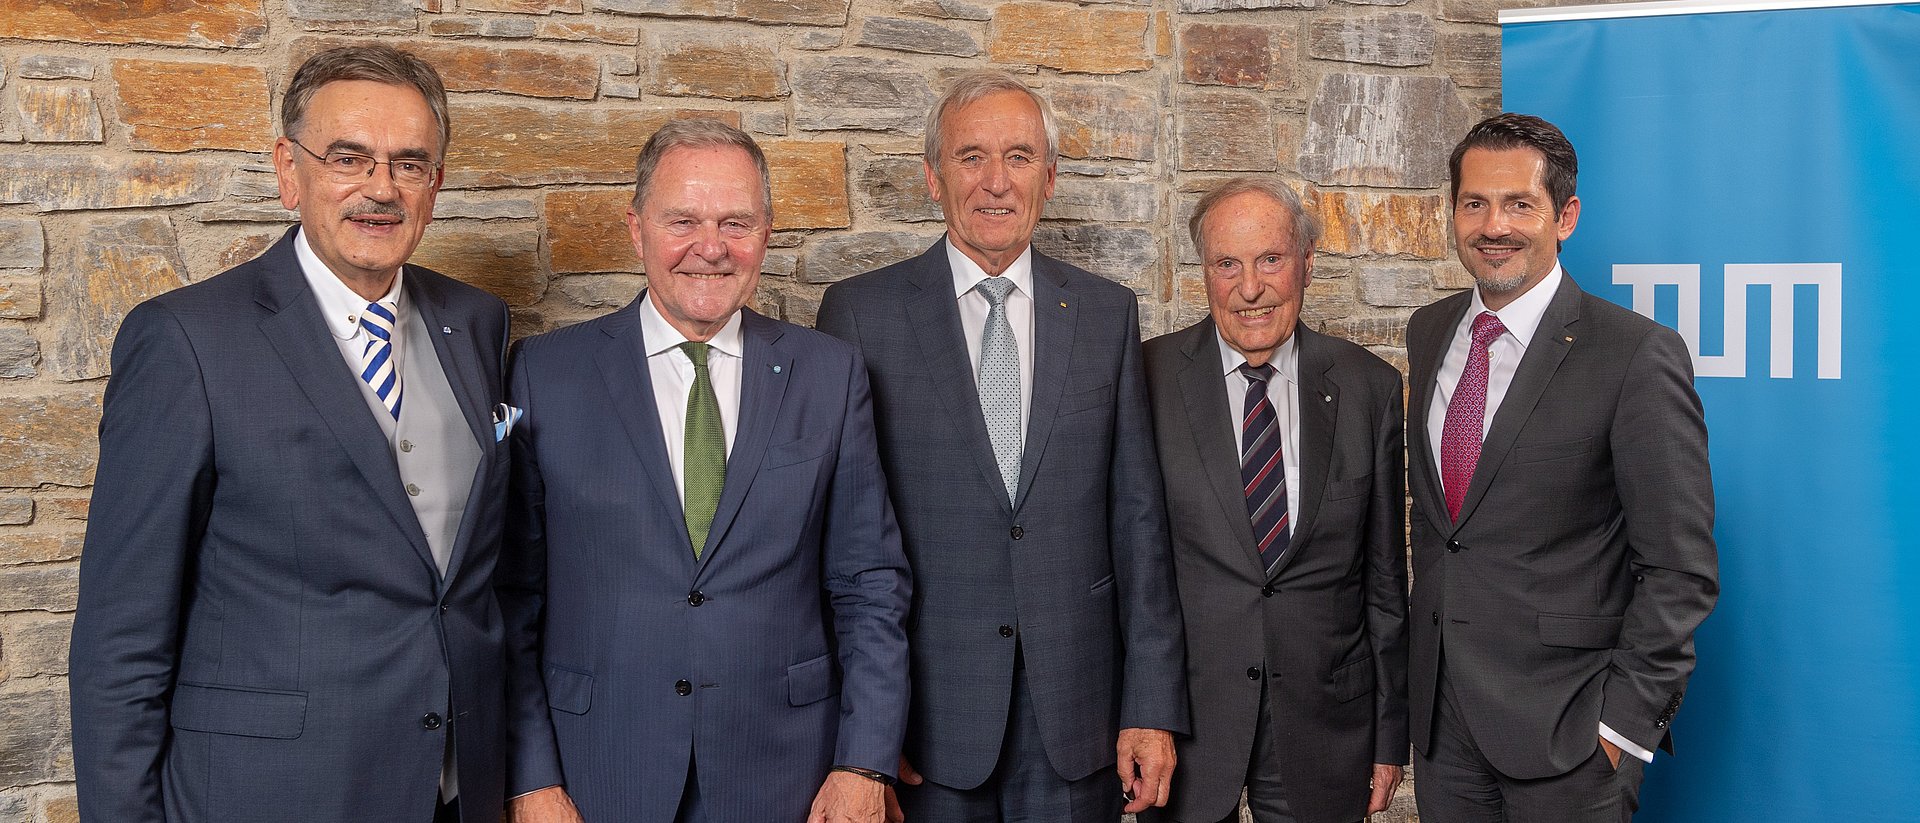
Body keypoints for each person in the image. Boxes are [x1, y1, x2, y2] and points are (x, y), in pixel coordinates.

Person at [69, 44, 509, 823]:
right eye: (349, 157)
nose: (381, 187)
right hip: (267, 795)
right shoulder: (186, 342)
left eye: (410, 163)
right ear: (288, 170)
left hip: (453, 791)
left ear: (435, 185)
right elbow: (120, 640)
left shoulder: (475, 323)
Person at [497, 119, 911, 823]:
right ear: (637, 228)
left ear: (768, 232)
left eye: (735, 222)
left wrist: (863, 762)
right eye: (682, 219)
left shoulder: (829, 375)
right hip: (598, 775)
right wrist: (530, 778)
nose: (710, 248)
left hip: (789, 777)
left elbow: (870, 584)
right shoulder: (545, 374)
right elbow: (509, 599)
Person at [815, 69, 1187, 822]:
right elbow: (835, 541)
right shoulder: (860, 315)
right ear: (932, 175)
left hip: (1079, 720)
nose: (995, 182)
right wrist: (866, 731)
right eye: (970, 156)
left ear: (1048, 179)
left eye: (1019, 157)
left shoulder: (1106, 313)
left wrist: (1151, 705)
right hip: (925, 725)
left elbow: (1138, 524)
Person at [1405, 112, 1718, 822]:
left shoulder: (1636, 354)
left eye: (1520, 203)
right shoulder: (1429, 332)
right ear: (1453, 211)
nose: (1494, 225)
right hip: (1443, 729)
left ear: (1565, 215)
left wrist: (1621, 731)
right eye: (1475, 202)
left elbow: (1679, 567)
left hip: (1569, 736)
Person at [1139, 178, 1408, 823]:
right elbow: (1127, 567)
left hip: (1327, 728)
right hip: (1184, 724)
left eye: (1270, 260)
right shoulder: (1146, 379)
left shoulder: (1369, 387)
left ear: (1307, 265)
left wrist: (1387, 736)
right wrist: (1137, 715)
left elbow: (1383, 582)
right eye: (1227, 264)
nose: (1250, 287)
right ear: (1203, 272)